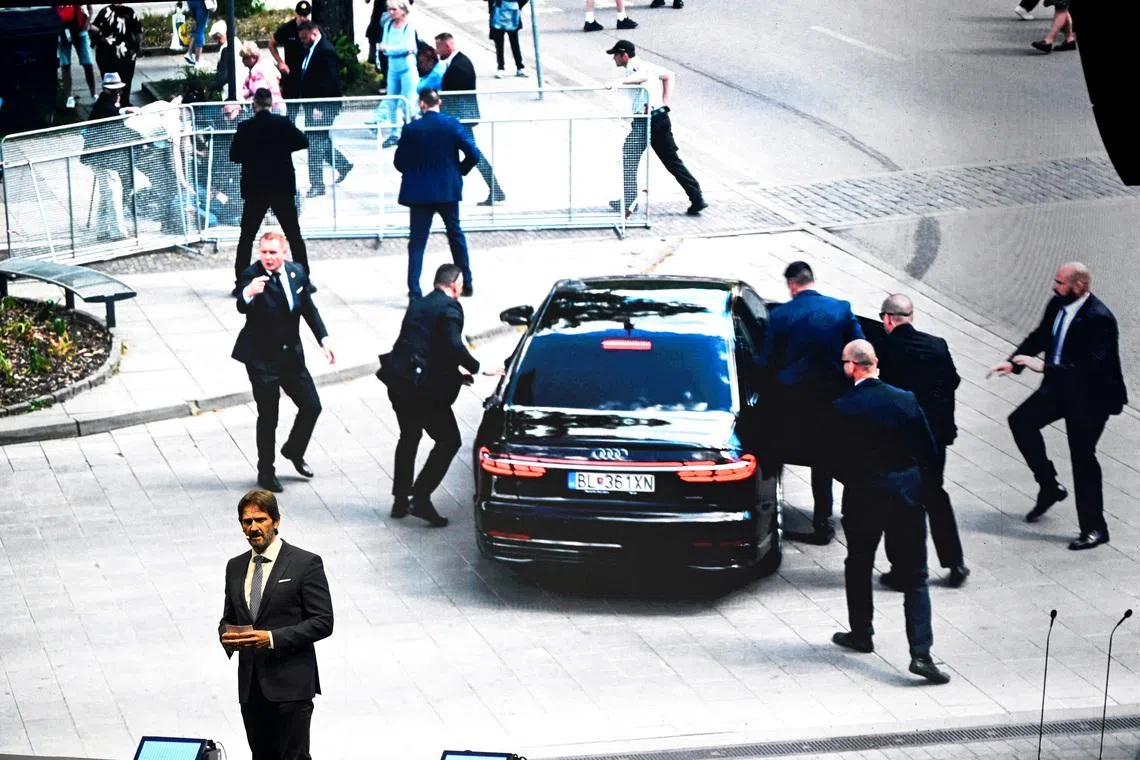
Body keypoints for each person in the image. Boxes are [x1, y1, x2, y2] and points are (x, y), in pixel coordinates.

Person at [829, 340, 950, 685]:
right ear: (875, 362)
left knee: (859, 563)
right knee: (916, 576)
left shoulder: (843, 406)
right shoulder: (905, 399)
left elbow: (834, 461)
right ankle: (921, 654)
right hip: (906, 497)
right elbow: (928, 449)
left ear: (852, 366)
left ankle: (861, 632)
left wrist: (856, 478)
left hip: (864, 496)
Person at [987, 263, 1127, 550]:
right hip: (1060, 388)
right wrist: (1013, 362)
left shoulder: (1099, 318)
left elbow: (1090, 368)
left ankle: (1095, 528)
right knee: (1021, 422)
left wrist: (1045, 367)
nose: (1054, 286)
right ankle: (1049, 486)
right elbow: (1040, 336)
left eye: (1061, 283)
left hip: (1091, 398)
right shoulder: (1058, 304)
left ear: (1079, 287)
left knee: (1082, 458)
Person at [755, 261, 864, 546]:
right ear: (810, 280)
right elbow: (860, 351)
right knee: (825, 460)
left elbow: (765, 361)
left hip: (791, 403)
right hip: (830, 401)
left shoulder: (781, 315)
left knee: (776, 453)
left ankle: (771, 515)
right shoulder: (841, 308)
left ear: (792, 285)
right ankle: (823, 521)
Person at [219, 488, 333, 760]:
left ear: (276, 521)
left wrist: (270, 639)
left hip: (291, 686)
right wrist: (225, 635)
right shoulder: (234, 566)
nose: (254, 527)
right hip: (251, 687)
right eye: (247, 522)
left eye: (261, 520)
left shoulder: (305, 563)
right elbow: (229, 617)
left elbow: (322, 622)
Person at [875, 294, 969, 589]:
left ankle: (904, 569)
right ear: (911, 317)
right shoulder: (937, 345)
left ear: (888, 319)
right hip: (935, 438)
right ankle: (955, 562)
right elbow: (953, 381)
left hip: (902, 441)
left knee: (900, 502)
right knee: (935, 495)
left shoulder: (885, 349)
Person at [232, 231, 335, 493]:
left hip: (290, 356)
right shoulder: (252, 275)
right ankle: (266, 470)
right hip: (261, 358)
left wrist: (324, 339)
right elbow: (242, 306)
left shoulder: (296, 273)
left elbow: (308, 308)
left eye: (272, 252)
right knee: (269, 415)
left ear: (284, 253)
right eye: (264, 252)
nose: (267, 257)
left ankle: (294, 449)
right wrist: (248, 293)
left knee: (312, 405)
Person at [381, 264, 481, 527]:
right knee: (449, 440)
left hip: (399, 380)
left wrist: (456, 374)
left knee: (409, 436)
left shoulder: (419, 303)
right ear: (455, 284)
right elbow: (453, 344)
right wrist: (476, 367)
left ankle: (400, 501)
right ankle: (421, 498)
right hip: (421, 390)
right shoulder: (451, 307)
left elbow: (428, 347)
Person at [394, 89, 480, 301]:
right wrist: (459, 170)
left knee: (417, 242)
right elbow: (474, 153)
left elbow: (399, 162)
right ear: (438, 102)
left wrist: (413, 172)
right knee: (455, 235)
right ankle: (466, 282)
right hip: (447, 190)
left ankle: (415, 290)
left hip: (420, 193)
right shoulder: (451, 125)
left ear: (422, 104)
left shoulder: (412, 129)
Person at [605, 40, 707, 217]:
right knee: (672, 161)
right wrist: (664, 103)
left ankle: (629, 202)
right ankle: (696, 197)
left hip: (645, 122)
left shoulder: (634, 67)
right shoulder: (646, 64)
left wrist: (620, 82)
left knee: (628, 157)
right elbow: (669, 75)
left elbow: (642, 77)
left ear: (624, 55)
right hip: (660, 117)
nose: (613, 58)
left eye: (615, 55)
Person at [230, 89, 310, 292]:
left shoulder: (246, 127)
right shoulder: (282, 124)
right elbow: (303, 141)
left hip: (256, 188)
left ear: (254, 104)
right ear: (271, 104)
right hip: (281, 186)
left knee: (246, 236)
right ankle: (304, 279)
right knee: (293, 233)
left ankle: (242, 281)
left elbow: (235, 155)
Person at [436, 33, 505, 206]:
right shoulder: (457, 62)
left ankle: (493, 189)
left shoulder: (459, 66)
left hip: (461, 117)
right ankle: (494, 189)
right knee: (463, 153)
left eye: (438, 47)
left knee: (472, 154)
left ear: (447, 46)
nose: (437, 51)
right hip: (459, 117)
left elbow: (454, 92)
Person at [296, 21, 353, 197]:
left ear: (313, 33)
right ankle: (342, 164)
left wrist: (320, 106)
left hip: (322, 106)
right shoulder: (313, 49)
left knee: (314, 143)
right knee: (318, 139)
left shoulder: (325, 51)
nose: (303, 41)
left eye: (305, 37)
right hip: (313, 105)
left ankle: (317, 184)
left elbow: (330, 81)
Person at [376, 0, 421, 148]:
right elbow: (384, 45)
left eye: (394, 10)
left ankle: (410, 132)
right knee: (391, 100)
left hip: (407, 68)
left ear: (403, 10)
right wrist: (390, 49)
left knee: (409, 100)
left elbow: (407, 47)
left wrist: (388, 49)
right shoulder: (388, 26)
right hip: (393, 68)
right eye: (389, 9)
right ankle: (394, 133)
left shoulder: (409, 27)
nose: (391, 13)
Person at [89, 2, 142, 107]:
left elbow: (138, 31)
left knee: (125, 79)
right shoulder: (105, 12)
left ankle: (123, 102)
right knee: (111, 80)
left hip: (125, 55)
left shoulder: (129, 12)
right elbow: (93, 28)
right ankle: (110, 103)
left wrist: (137, 48)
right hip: (107, 54)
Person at [270, 1, 314, 121]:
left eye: (305, 15)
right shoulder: (287, 28)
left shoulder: (313, 29)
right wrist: (280, 62)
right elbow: (272, 43)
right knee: (291, 113)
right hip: (291, 75)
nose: (303, 18)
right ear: (296, 14)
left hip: (308, 77)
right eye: (300, 15)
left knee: (310, 113)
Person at [57, 4, 96, 105]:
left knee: (88, 63)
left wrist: (87, 23)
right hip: (63, 30)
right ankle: (69, 97)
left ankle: (94, 94)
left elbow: (90, 8)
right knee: (65, 64)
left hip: (80, 29)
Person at [238, 41, 284, 111]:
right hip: (280, 104)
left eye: (245, 58)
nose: (243, 61)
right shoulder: (268, 63)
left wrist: (246, 93)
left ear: (253, 56)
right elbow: (279, 76)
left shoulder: (256, 71)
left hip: (268, 108)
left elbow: (258, 91)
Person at [487, 0, 528, 78]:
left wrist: (518, 5)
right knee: (500, 44)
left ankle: (519, 67)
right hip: (498, 13)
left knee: (514, 43)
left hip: (511, 14)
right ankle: (501, 67)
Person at [185, 0, 209, 67]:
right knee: (200, 29)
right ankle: (198, 61)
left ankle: (189, 53)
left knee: (197, 27)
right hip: (201, 3)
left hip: (191, 2)